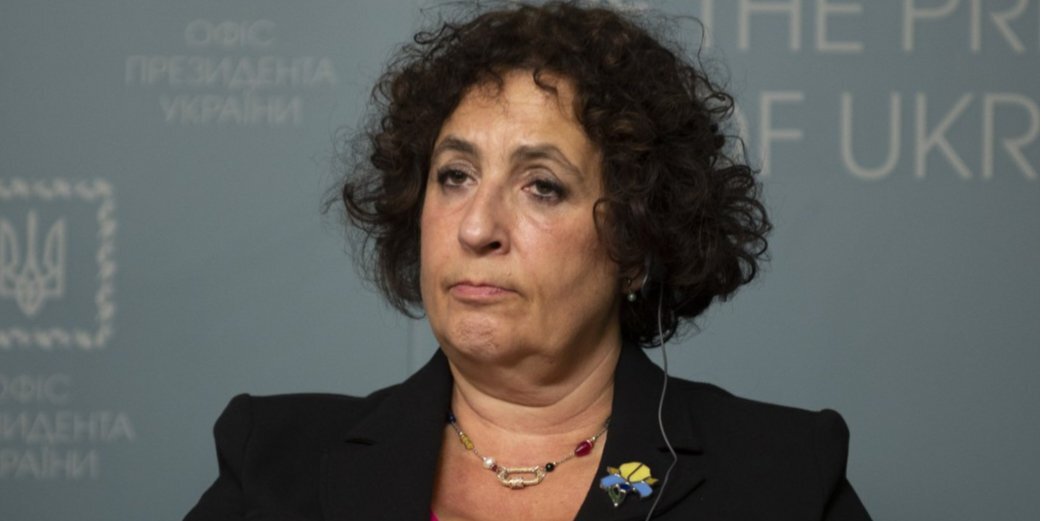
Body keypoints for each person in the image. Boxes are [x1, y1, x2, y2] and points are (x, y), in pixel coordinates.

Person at [184, 2, 871, 520]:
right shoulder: (275, 459)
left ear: (636, 242)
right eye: (455, 176)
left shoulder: (781, 475)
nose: (476, 227)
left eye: (542, 185)